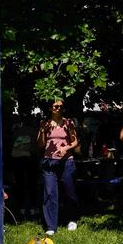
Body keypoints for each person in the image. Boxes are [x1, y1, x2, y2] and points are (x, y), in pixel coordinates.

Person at [37, 100, 81, 235]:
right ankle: (51, 226)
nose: (59, 108)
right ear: (50, 108)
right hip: (49, 162)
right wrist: (43, 132)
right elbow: (40, 145)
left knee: (70, 192)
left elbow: (75, 141)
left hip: (66, 161)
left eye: (61, 106)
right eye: (56, 106)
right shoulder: (44, 123)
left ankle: (72, 218)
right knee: (50, 193)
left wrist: (65, 148)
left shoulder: (68, 123)